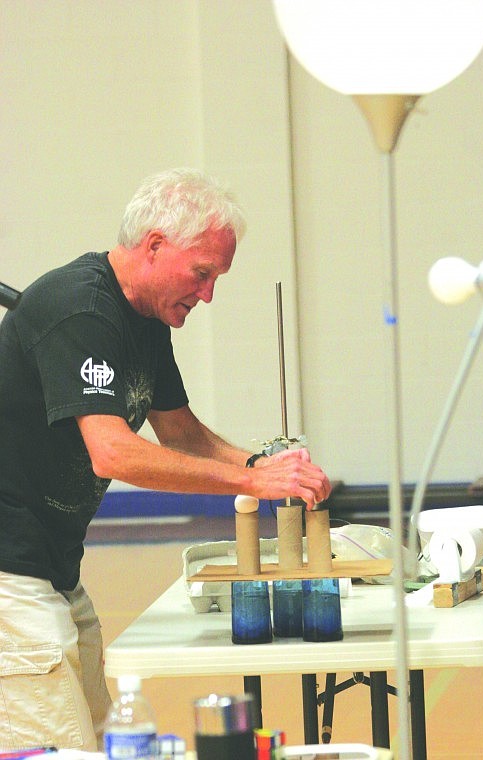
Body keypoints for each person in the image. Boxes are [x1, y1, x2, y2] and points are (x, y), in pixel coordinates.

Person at [0, 168, 330, 751]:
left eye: (216, 278)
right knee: (60, 750)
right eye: (202, 273)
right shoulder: (79, 309)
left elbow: (181, 433)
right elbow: (113, 452)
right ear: (154, 246)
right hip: (9, 575)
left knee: (105, 738)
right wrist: (253, 478)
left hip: (54, 567)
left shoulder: (146, 322)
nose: (208, 295)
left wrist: (265, 465)